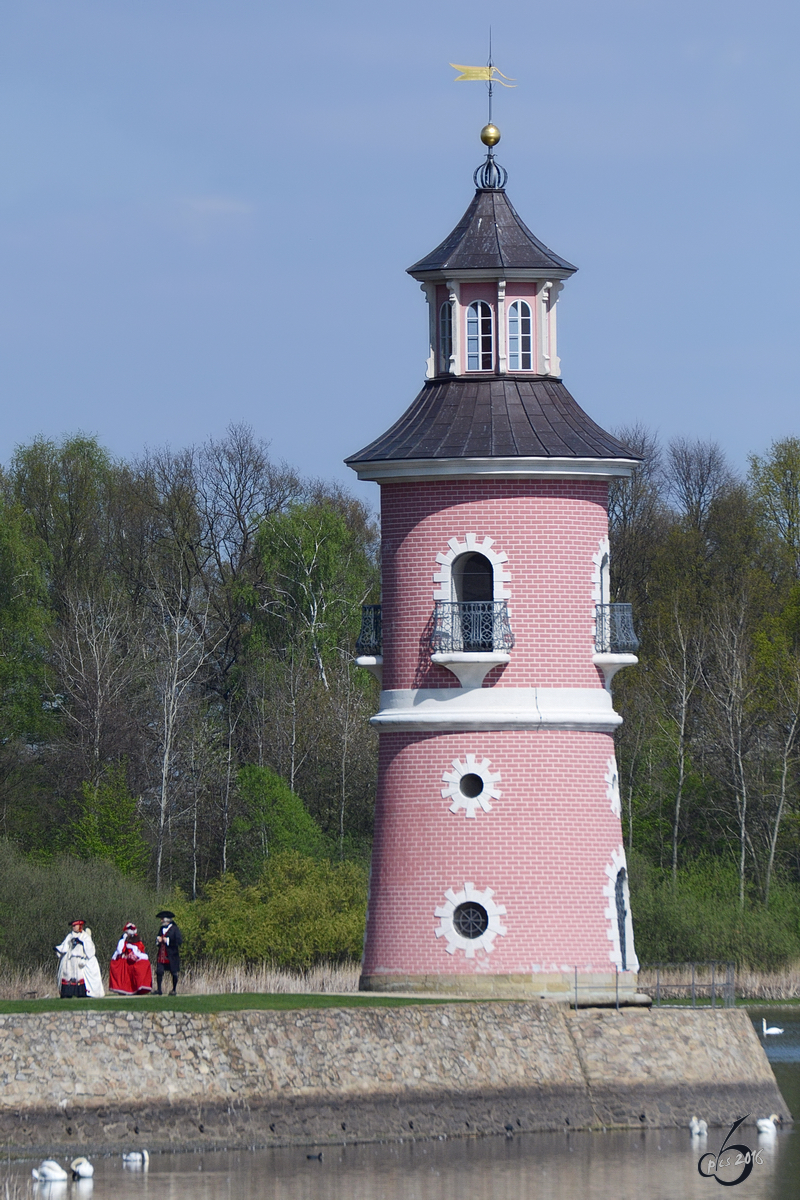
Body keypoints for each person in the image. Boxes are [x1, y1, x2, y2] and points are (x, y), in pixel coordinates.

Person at [55, 919, 105, 998]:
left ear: (80, 926)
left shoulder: (85, 936)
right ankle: (68, 993)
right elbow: (65, 946)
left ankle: (82, 993)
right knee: (68, 975)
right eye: (73, 926)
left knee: (80, 976)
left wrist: (82, 942)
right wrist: (58, 949)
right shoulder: (70, 935)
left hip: (80, 960)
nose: (74, 927)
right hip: (71, 960)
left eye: (75, 926)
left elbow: (90, 949)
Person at [109, 922, 153, 995]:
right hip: (125, 958)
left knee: (142, 965)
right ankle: (122, 989)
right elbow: (120, 951)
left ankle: (140, 987)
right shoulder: (123, 940)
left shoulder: (137, 940)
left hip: (135, 958)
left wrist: (134, 950)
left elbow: (141, 951)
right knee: (120, 965)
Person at [155, 910, 182, 995]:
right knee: (159, 971)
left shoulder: (175, 929)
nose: (161, 921)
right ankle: (159, 990)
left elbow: (179, 941)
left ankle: (174, 990)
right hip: (162, 954)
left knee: (173, 972)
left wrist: (168, 940)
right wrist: (158, 940)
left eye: (162, 919)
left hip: (172, 955)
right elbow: (158, 939)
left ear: (167, 920)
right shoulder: (161, 929)